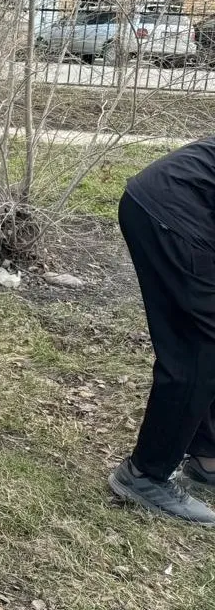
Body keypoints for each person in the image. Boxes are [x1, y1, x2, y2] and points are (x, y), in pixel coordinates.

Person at [108, 136, 215, 525]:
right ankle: (147, 474)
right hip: (173, 213)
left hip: (164, 204)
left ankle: (206, 456)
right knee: (200, 348)